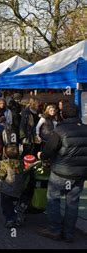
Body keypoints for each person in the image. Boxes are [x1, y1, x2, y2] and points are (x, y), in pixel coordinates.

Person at [37, 103, 87, 243]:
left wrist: (42, 156)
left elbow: (49, 150)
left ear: (63, 115)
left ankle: (55, 230)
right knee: (73, 203)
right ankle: (69, 233)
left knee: (53, 200)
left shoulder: (60, 130)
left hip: (61, 172)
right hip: (80, 173)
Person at [0, 144, 28, 228]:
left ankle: (10, 219)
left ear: (5, 154)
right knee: (17, 202)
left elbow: (1, 175)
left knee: (6, 205)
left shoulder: (4, 164)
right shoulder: (20, 163)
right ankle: (19, 215)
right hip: (19, 189)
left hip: (7, 190)